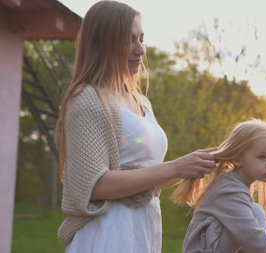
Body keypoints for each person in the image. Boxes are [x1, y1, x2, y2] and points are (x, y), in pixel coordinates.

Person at [55, 1, 216, 252]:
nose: (140, 49)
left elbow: (144, 177)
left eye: (141, 38)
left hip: (143, 229)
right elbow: (92, 187)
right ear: (103, 43)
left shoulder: (140, 101)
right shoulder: (87, 100)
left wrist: (191, 165)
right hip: (107, 234)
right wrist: (174, 167)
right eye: (129, 40)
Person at [172, 119, 266, 253]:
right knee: (255, 211)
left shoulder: (235, 184)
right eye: (262, 157)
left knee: (254, 212)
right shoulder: (229, 189)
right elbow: (249, 234)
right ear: (237, 159)